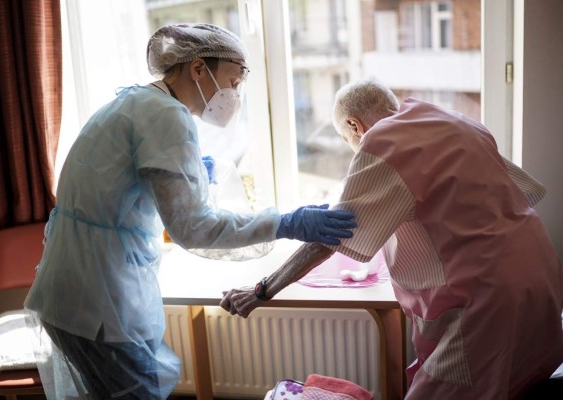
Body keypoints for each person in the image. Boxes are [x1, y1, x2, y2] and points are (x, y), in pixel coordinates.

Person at [24, 23, 356, 400]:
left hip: (75, 289)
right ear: (198, 68)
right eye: (233, 81)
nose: (234, 95)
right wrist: (286, 223)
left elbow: (123, 186)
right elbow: (193, 227)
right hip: (96, 300)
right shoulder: (165, 115)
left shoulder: (135, 102)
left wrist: (193, 173)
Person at [221, 79, 563, 399]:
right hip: (537, 271)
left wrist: (260, 290)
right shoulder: (452, 121)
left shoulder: (383, 142)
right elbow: (508, 193)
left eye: (347, 140)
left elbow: (328, 238)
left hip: (489, 295)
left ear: (354, 127)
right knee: (516, 384)